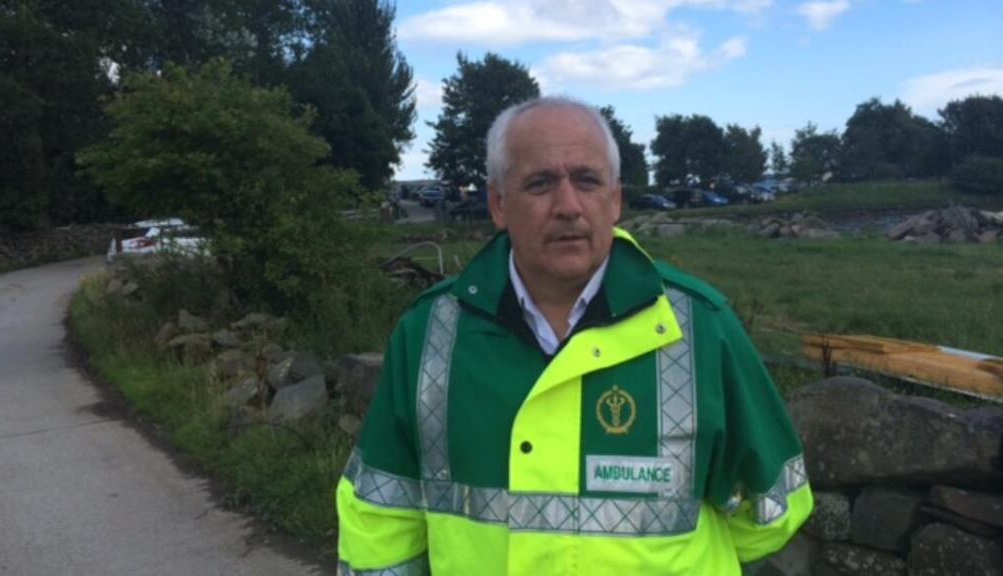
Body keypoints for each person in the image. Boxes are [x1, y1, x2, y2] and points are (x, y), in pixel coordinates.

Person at [336, 97, 813, 575]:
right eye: (540, 183)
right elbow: (381, 520)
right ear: (498, 204)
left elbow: (770, 512)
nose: (568, 206)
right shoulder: (431, 332)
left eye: (587, 180)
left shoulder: (700, 326)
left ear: (615, 199)